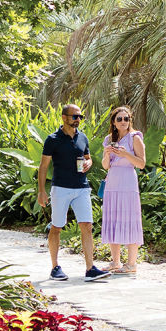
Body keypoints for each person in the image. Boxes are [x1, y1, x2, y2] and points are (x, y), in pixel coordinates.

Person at [38, 104, 110, 282]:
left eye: (80, 117)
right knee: (57, 227)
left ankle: (90, 269)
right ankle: (55, 267)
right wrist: (41, 191)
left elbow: (88, 158)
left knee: (87, 225)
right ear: (64, 117)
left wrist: (89, 163)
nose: (78, 119)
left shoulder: (83, 138)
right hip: (60, 188)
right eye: (74, 116)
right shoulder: (52, 139)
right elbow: (43, 166)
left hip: (82, 188)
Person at [100, 105, 145, 274]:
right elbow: (106, 166)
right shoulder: (109, 139)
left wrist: (125, 154)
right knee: (113, 219)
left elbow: (141, 164)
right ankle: (115, 262)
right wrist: (106, 153)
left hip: (128, 183)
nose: (123, 121)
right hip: (112, 184)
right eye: (119, 119)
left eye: (126, 118)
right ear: (114, 121)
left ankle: (132, 264)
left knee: (130, 220)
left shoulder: (135, 138)